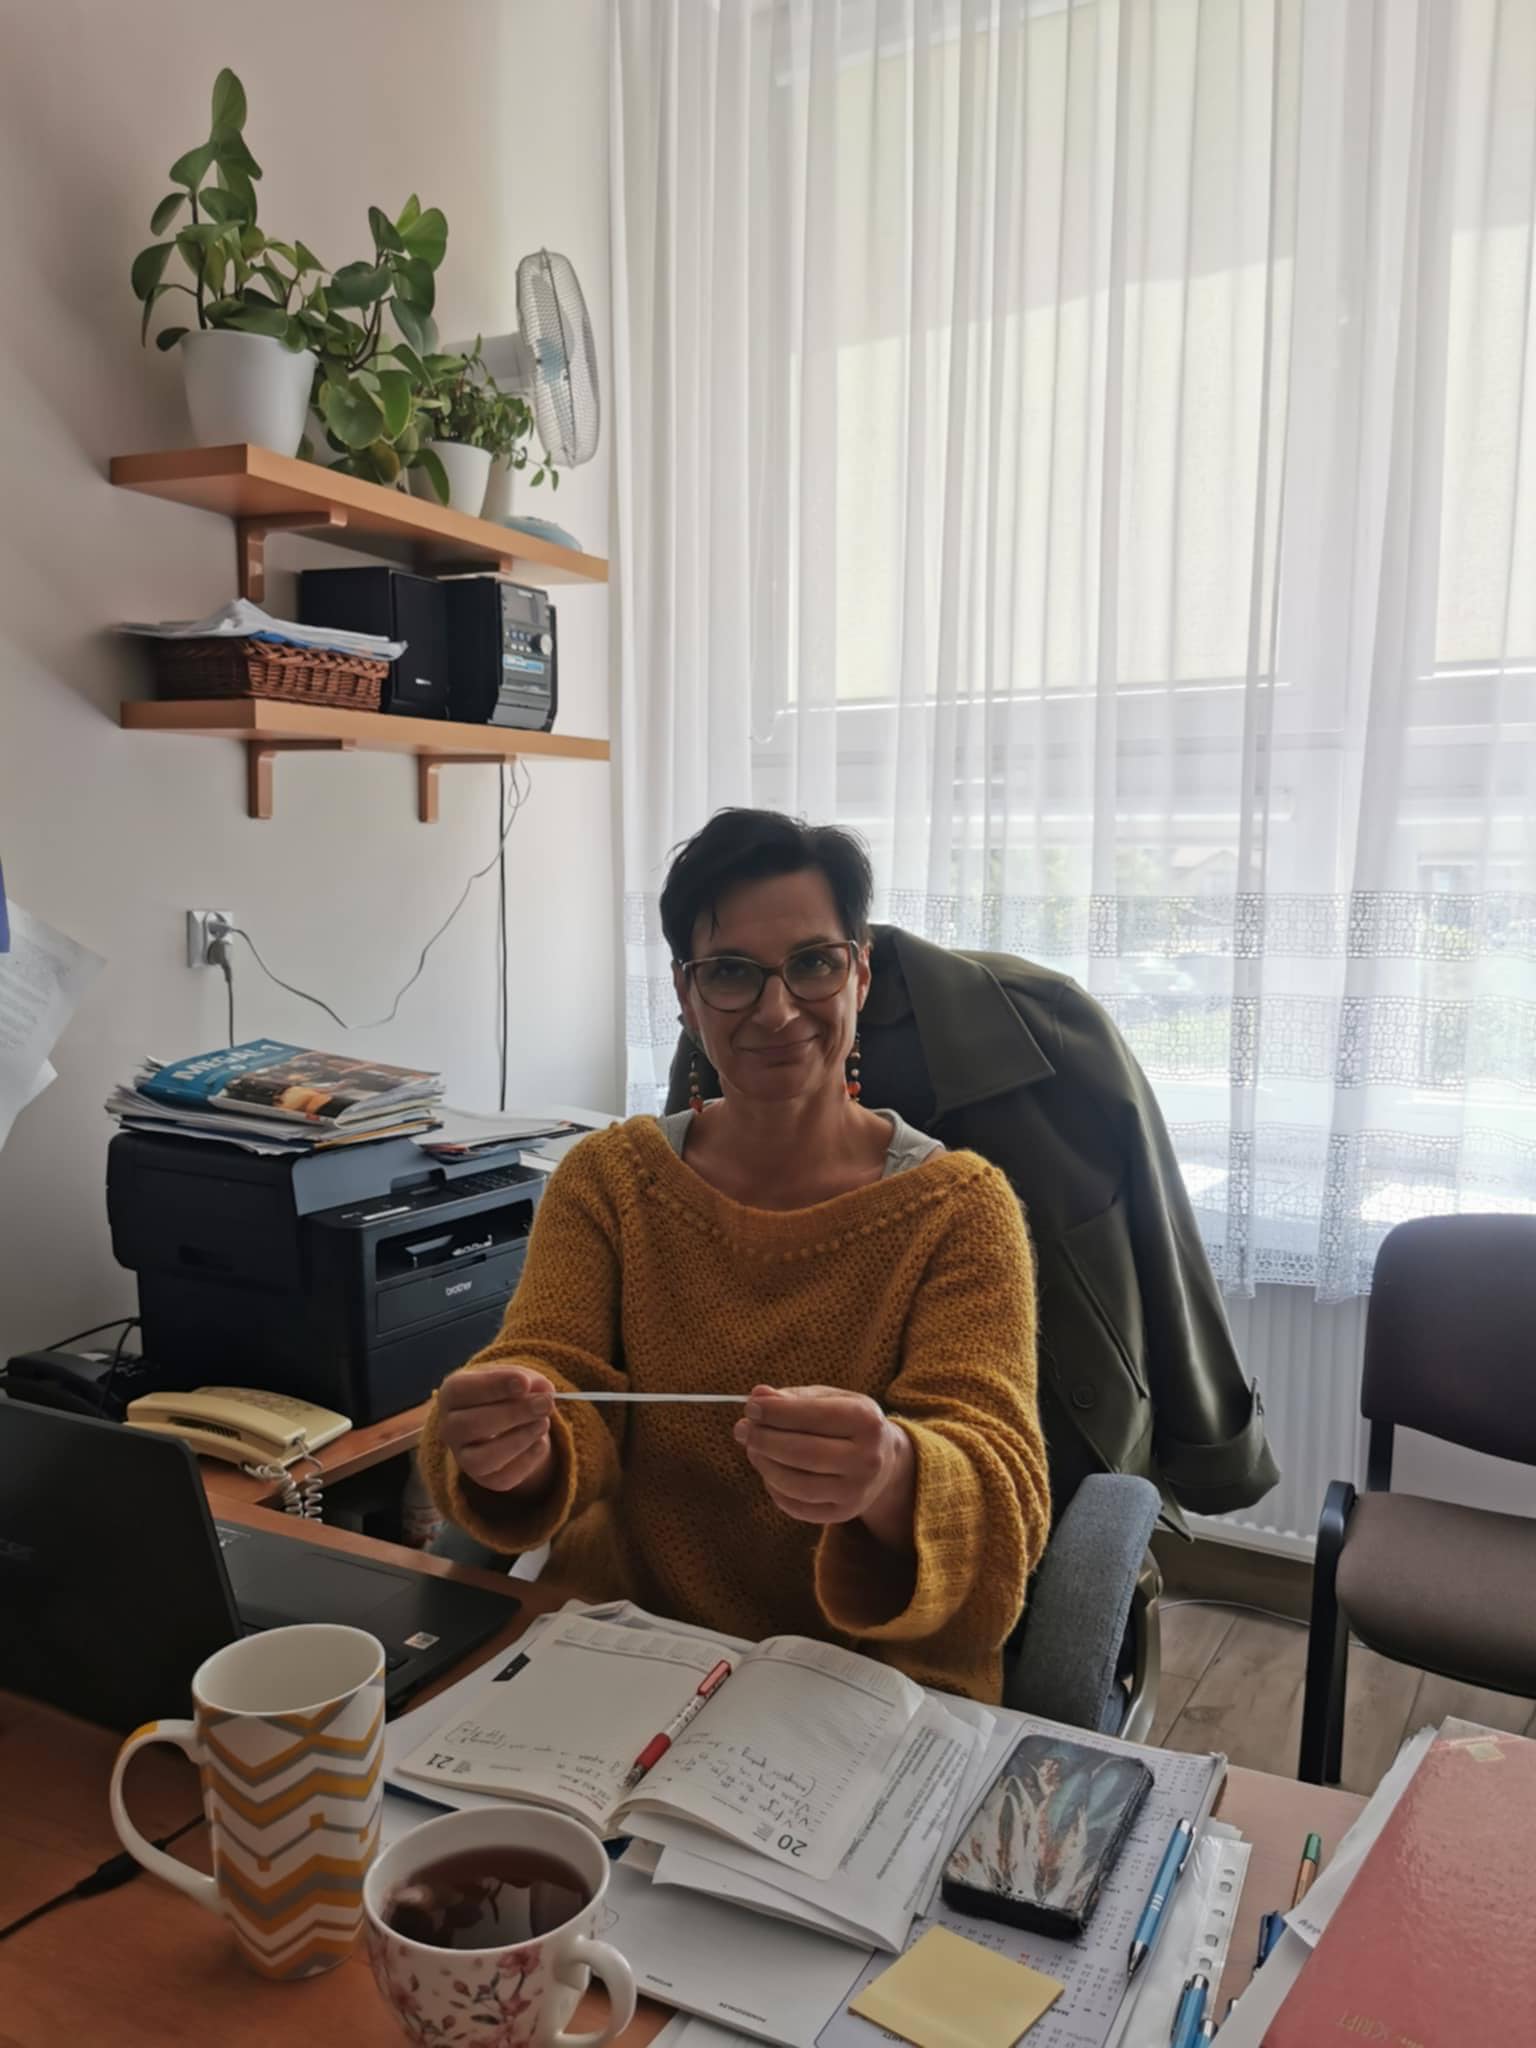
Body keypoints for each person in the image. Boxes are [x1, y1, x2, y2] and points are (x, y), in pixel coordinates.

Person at [420, 810, 1050, 1701]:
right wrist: (518, 1450)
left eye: (813, 963)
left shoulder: (959, 1209)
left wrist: (891, 1473)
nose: (777, 1010)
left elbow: (1001, 1487)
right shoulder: (609, 1180)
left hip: (864, 1681)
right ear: (686, 996)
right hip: (629, 1647)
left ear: (861, 975)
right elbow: (552, 1372)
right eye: (730, 973)